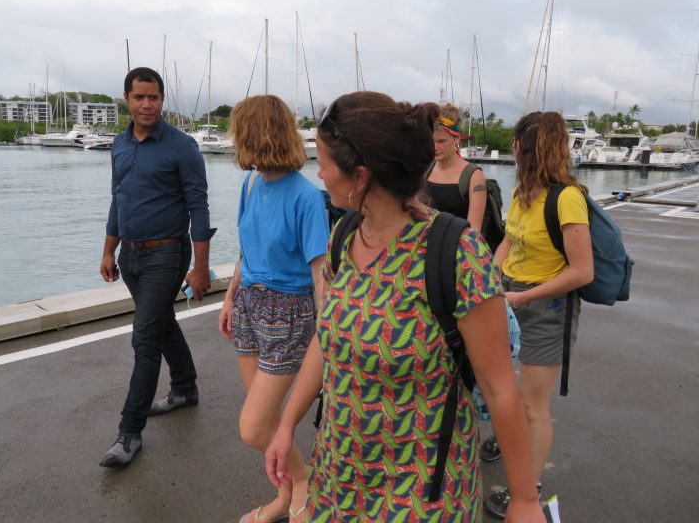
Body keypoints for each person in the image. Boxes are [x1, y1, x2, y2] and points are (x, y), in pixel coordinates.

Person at [265, 91, 544, 523]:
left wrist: (524, 500)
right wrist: (286, 425)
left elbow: (499, 389)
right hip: (337, 475)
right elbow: (327, 338)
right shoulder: (342, 237)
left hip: (422, 492)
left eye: (323, 163)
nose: (317, 174)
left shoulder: (455, 253)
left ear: (360, 176)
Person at [217, 95, 329, 523]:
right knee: (264, 424)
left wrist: (328, 348)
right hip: (249, 305)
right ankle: (286, 494)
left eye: (237, 132)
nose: (232, 141)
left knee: (253, 427)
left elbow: (321, 278)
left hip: (288, 314)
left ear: (253, 135)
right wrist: (230, 298)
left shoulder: (305, 198)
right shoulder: (250, 185)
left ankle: (303, 482)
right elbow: (246, 251)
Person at [98, 67, 213, 468]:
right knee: (161, 322)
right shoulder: (119, 145)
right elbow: (119, 200)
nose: (147, 104)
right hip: (130, 255)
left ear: (163, 101)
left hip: (167, 253)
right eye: (139, 97)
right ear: (127, 100)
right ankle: (185, 388)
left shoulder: (182, 147)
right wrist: (108, 250)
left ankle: (129, 433)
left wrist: (201, 268)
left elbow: (199, 206)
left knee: (144, 339)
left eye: (154, 97)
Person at [484, 111, 594, 519]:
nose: (513, 149)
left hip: (546, 308)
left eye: (516, 142)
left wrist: (525, 297)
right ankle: (511, 449)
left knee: (533, 405)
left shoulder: (567, 198)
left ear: (527, 147)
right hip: (509, 298)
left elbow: (582, 271)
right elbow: (508, 245)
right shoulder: (522, 192)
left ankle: (527, 490)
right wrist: (489, 280)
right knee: (504, 391)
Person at [425, 102, 487, 230]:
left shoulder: (474, 177)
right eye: (431, 141)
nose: (435, 147)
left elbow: (474, 232)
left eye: (441, 141)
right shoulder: (425, 169)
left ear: (457, 138)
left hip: (456, 248)